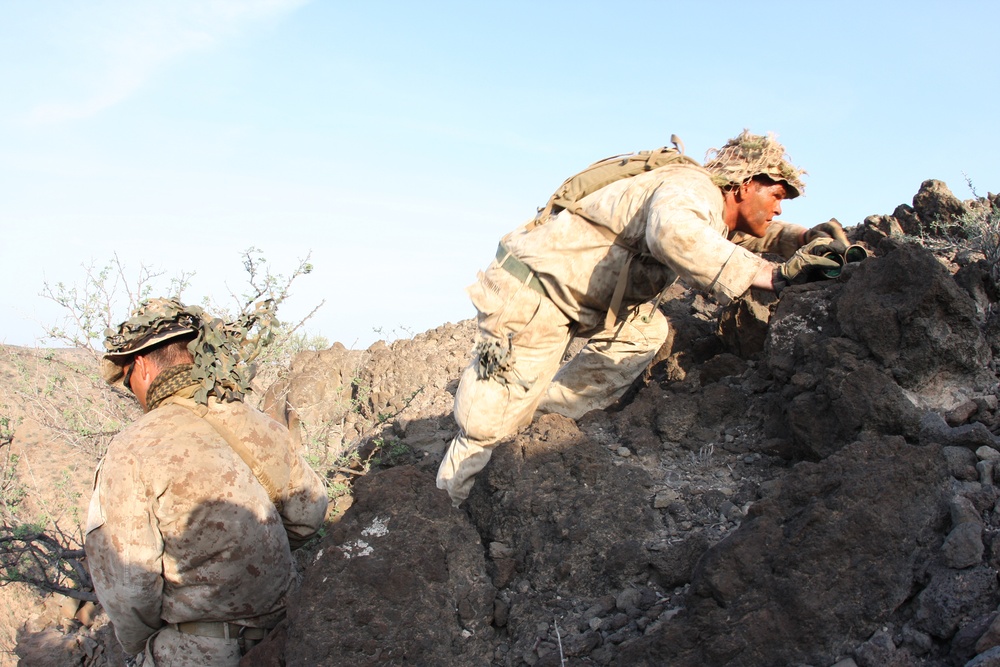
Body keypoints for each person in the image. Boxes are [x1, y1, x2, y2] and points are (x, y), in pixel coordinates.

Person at [436, 130, 847, 505]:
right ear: (743, 184)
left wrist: (804, 237)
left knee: (644, 331)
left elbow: (744, 231)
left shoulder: (708, 204)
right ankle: (448, 505)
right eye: (775, 195)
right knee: (487, 422)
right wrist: (771, 275)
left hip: (579, 300)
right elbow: (674, 234)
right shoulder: (691, 189)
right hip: (533, 295)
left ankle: (538, 422)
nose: (778, 207)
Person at [85, 298, 328, 666]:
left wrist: (143, 645)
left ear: (142, 367)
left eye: (126, 378)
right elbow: (309, 514)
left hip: (198, 652)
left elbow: (128, 585)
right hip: (285, 638)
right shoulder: (257, 423)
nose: (129, 389)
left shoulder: (133, 449)